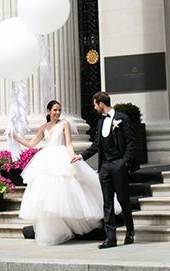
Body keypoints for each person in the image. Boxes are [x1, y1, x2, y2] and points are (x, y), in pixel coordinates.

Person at [11, 100, 105, 245]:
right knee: (48, 194)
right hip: (46, 159)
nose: (57, 113)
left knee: (66, 190)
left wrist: (73, 156)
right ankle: (55, 228)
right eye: (55, 110)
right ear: (49, 111)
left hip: (61, 156)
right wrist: (16, 138)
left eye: (59, 110)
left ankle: (70, 224)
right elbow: (31, 144)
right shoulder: (44, 127)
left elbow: (68, 143)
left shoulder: (64, 124)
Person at [72, 90, 136, 249]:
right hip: (104, 166)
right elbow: (96, 144)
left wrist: (124, 162)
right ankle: (111, 238)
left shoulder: (122, 118)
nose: (94, 107)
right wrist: (81, 156)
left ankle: (130, 232)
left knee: (123, 199)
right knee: (107, 202)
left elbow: (131, 142)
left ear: (101, 104)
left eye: (95, 104)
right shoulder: (100, 122)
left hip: (118, 164)